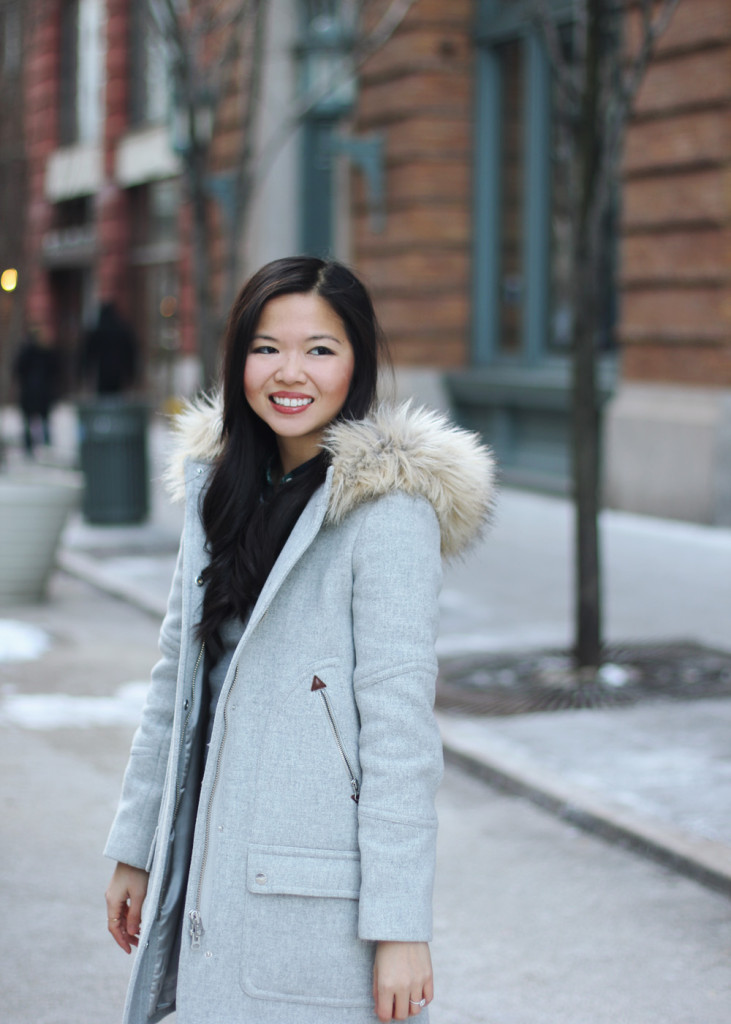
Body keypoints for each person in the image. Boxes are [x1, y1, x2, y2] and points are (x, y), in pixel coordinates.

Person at [104, 257, 494, 1024]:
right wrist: (135, 844)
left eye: (319, 349)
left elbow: (399, 735)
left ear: (357, 362)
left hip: (310, 892)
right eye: (266, 348)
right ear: (237, 361)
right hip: (206, 865)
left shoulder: (388, 515)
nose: (290, 373)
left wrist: (401, 927)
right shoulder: (217, 491)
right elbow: (174, 681)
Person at [13, 326, 60, 456]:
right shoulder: (46, 352)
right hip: (43, 391)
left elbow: (18, 370)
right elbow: (55, 371)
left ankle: (30, 445)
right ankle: (46, 444)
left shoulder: (26, 352)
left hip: (30, 391)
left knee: (29, 420)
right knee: (43, 419)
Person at [80, 300, 138, 394]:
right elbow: (130, 354)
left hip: (102, 374)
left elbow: (88, 355)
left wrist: (86, 374)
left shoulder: (97, 330)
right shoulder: (122, 329)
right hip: (117, 374)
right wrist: (130, 375)